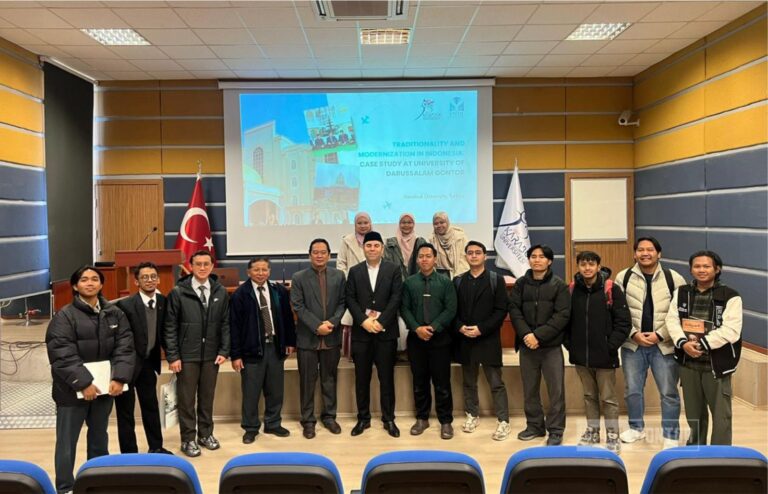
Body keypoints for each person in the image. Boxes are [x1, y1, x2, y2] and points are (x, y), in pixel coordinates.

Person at [46, 266, 134, 494]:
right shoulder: (64, 316)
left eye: (95, 279)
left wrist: (119, 378)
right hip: (71, 391)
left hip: (105, 389)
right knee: (66, 444)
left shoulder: (115, 313)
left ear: (101, 284)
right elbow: (61, 354)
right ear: (75, 286)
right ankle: (65, 487)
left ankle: (96, 482)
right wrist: (83, 383)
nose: (90, 283)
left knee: (99, 437)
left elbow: (125, 348)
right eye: (84, 280)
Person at [616, 237, 686, 448]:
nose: (645, 253)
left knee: (668, 392)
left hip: (663, 345)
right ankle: (636, 428)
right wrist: (633, 333)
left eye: (650, 250)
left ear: (659, 253)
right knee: (633, 390)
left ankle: (671, 435)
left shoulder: (673, 278)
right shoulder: (623, 277)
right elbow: (618, 312)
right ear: (635, 253)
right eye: (640, 250)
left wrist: (660, 334)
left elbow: (680, 314)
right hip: (633, 344)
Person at [666, 250, 742, 445]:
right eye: (697, 266)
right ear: (691, 269)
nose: (701, 270)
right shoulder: (682, 292)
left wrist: (701, 344)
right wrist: (684, 344)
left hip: (716, 365)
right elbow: (672, 320)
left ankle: (720, 455)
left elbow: (731, 330)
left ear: (717, 269)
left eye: (706, 266)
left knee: (721, 416)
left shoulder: (730, 296)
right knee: (694, 413)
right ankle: (696, 452)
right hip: (688, 363)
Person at [164, 250, 230, 457]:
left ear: (212, 266)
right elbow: (170, 326)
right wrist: (173, 356)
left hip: (212, 355)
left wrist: (224, 350)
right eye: (198, 264)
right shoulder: (178, 292)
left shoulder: (220, 291)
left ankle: (205, 434)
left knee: (207, 398)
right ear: (190, 266)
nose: (202, 268)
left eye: (206, 264)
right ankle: (188, 439)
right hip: (187, 356)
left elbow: (226, 324)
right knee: (186, 400)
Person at [565, 251, 631, 454]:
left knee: (609, 398)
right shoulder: (572, 289)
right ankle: (592, 431)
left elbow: (624, 322)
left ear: (598, 266)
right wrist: (571, 345)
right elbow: (565, 321)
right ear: (578, 266)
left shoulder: (611, 289)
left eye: (591, 264)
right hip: (581, 356)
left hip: (605, 356)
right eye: (583, 264)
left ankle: (613, 434)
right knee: (589, 396)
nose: (587, 268)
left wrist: (610, 346)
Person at [230, 257, 296, 444]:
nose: (261, 273)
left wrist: (290, 341)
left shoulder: (279, 291)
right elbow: (234, 327)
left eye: (264, 269)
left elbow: (288, 318)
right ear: (248, 272)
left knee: (275, 390)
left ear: (269, 271)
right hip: (251, 351)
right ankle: (250, 427)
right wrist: (236, 355)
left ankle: (273, 423)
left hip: (275, 347)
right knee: (251, 392)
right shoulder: (240, 295)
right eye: (256, 270)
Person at [509, 244, 570, 446]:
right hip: (527, 346)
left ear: (549, 261)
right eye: (533, 256)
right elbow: (515, 311)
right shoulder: (520, 284)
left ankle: (555, 430)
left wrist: (538, 336)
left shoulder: (559, 285)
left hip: (550, 346)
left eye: (541, 257)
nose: (537, 260)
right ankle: (535, 426)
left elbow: (562, 316)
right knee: (530, 389)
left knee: (556, 391)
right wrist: (527, 335)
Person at [345, 231, 403, 438]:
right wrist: (364, 321)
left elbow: (396, 298)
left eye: (376, 246)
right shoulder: (355, 271)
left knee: (386, 378)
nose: (372, 249)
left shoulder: (393, 270)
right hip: (362, 333)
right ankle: (363, 418)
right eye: (368, 246)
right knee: (362, 378)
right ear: (363, 248)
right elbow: (350, 298)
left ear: (381, 248)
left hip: (385, 333)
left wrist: (380, 321)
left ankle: (389, 419)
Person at [453, 241, 511, 441]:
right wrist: (460, 326)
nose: (474, 256)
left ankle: (504, 420)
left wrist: (481, 329)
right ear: (466, 256)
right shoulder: (458, 281)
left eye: (478, 252)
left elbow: (501, 310)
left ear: (485, 256)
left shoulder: (496, 280)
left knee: (496, 382)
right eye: (470, 253)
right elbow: (453, 310)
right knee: (469, 382)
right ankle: (472, 414)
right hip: (465, 339)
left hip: (488, 339)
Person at [114, 262, 172, 455]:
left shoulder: (164, 302)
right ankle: (129, 453)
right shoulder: (126, 305)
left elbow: (165, 332)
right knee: (125, 412)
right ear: (136, 281)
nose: (150, 280)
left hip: (148, 364)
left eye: (153, 276)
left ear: (158, 279)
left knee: (151, 407)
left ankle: (156, 447)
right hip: (127, 367)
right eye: (145, 277)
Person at [291, 238, 346, 439]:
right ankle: (308, 420)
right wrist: (317, 326)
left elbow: (342, 303)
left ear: (329, 255)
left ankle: (329, 416)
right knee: (307, 381)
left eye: (323, 252)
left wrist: (331, 323)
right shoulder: (299, 277)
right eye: (315, 252)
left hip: (331, 336)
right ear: (309, 255)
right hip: (308, 338)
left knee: (329, 379)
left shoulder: (339, 276)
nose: (319, 255)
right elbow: (297, 306)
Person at [401, 243, 457, 439]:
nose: (424, 259)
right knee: (419, 381)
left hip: (440, 339)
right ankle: (422, 418)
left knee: (442, 382)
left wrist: (433, 327)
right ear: (417, 260)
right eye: (421, 256)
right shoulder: (409, 283)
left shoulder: (445, 282)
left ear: (435, 259)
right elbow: (404, 309)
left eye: (428, 256)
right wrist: (417, 328)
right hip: (416, 340)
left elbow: (451, 309)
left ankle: (446, 421)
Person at [384, 213, 427, 281]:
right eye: (403, 222)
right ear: (399, 224)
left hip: (417, 283)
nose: (406, 225)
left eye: (409, 222)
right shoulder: (391, 243)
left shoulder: (420, 242)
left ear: (414, 224)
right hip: (396, 282)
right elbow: (387, 264)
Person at [430, 211, 469, 278]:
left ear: (447, 222)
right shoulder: (432, 239)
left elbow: (465, 258)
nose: (439, 225)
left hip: (460, 274)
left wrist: (456, 277)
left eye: (442, 222)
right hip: (441, 277)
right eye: (436, 223)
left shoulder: (460, 237)